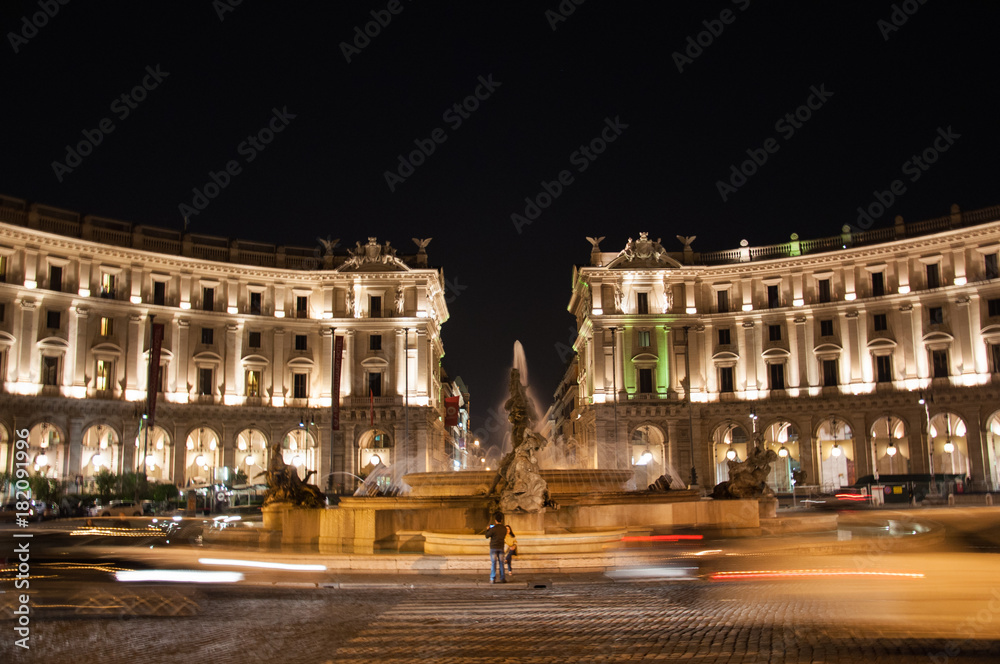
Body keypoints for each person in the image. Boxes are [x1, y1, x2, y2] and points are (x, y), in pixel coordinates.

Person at [485, 511, 506, 583]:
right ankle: (502, 578)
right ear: (501, 520)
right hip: (501, 547)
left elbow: (487, 536)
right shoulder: (504, 528)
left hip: (493, 547)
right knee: (501, 563)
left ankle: (492, 578)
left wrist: (487, 530)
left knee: (494, 563)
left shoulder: (493, 529)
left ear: (495, 520)